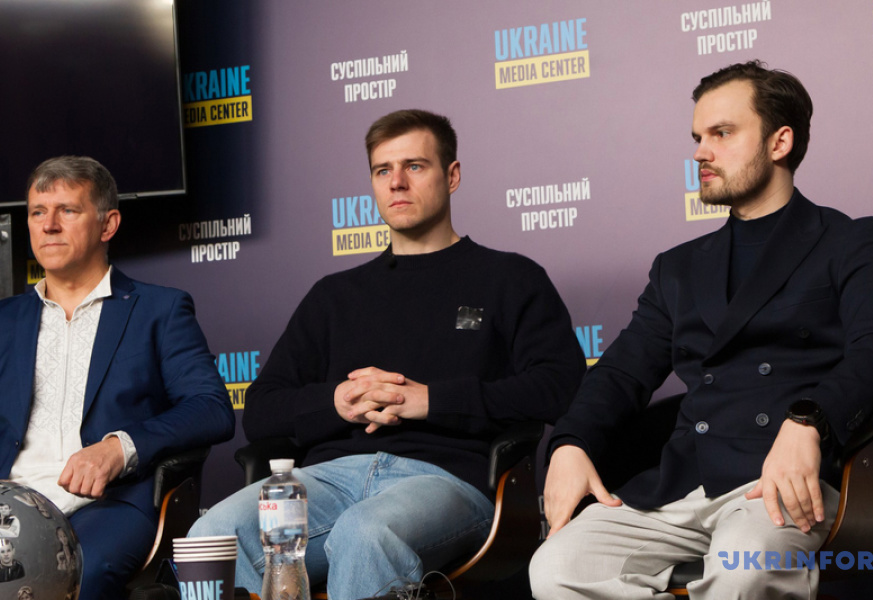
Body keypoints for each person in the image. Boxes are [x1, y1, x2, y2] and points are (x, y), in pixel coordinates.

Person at [530, 61, 873, 599]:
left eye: (722, 133)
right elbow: (620, 373)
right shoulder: (677, 267)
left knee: (744, 569)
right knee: (557, 567)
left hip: (783, 482)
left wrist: (810, 420)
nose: (700, 152)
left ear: (780, 142)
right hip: (681, 485)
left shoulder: (852, 241)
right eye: (697, 137)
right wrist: (572, 443)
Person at [189, 109, 587, 599]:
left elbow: (561, 385)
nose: (397, 182)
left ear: (452, 176)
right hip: (327, 478)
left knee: (365, 532)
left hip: (446, 481)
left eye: (414, 166)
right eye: (383, 170)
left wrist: (431, 401)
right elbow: (261, 410)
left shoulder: (511, 279)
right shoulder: (333, 296)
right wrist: (337, 402)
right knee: (211, 538)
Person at [0, 156, 235, 600]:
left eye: (68, 210)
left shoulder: (159, 310)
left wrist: (119, 448)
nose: (49, 225)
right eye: (38, 212)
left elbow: (211, 408)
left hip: (107, 504)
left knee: (66, 578)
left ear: (108, 224)